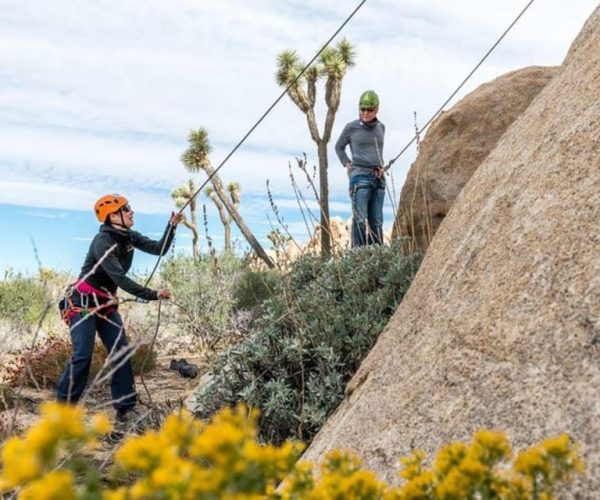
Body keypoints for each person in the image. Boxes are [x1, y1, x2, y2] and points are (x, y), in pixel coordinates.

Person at [56, 194, 182, 423]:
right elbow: (121, 279)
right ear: (112, 216)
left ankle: (125, 408)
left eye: (129, 208)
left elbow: (159, 248)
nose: (131, 212)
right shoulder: (102, 242)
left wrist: (171, 226)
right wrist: (152, 294)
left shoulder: (129, 237)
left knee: (121, 352)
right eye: (126, 209)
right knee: (82, 355)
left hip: (105, 304)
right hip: (82, 305)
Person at [335, 90, 386, 247]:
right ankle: (358, 257)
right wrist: (347, 164)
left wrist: (381, 167)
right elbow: (339, 147)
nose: (365, 113)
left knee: (376, 221)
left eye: (369, 109)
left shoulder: (381, 127)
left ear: (376, 110)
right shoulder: (351, 128)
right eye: (362, 109)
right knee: (360, 220)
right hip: (360, 177)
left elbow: (378, 152)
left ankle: (377, 256)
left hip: (378, 178)